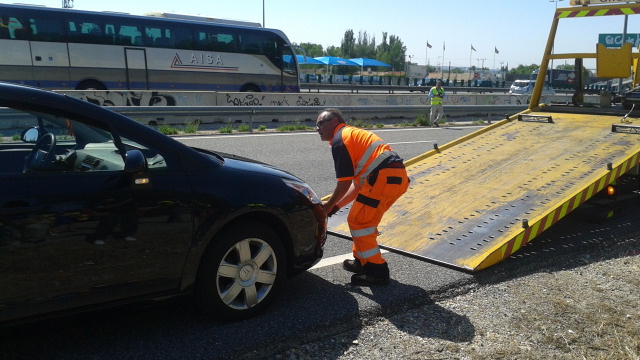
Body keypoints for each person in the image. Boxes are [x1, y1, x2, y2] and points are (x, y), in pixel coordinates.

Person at [316, 108, 410, 286]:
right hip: (392, 179)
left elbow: (343, 184)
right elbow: (357, 186)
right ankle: (362, 261)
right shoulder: (351, 135)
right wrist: (334, 207)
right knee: (363, 220)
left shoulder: (340, 140)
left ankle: (377, 272)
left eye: (320, 123)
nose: (317, 128)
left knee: (360, 222)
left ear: (334, 121)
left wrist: (328, 206)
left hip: (382, 179)